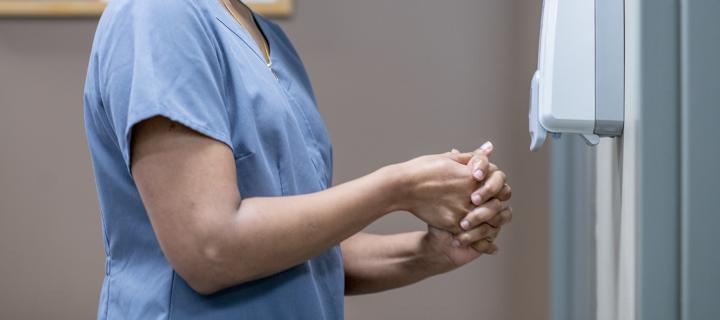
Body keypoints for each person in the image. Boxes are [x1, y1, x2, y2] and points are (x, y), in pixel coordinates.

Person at [83, 0, 513, 319]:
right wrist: (398, 188)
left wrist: (434, 251)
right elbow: (211, 247)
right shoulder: (161, 14)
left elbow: (303, 252)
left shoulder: (265, 38)